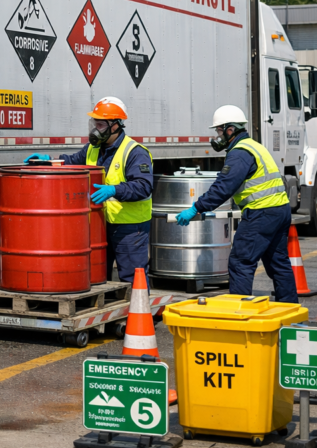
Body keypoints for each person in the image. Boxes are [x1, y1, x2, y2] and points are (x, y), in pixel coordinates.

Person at [175, 105, 297, 302]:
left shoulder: (239, 152)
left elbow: (224, 187)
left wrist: (196, 207)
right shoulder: (254, 146)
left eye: (219, 131)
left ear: (230, 130)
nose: (217, 136)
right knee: (278, 263)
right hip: (279, 210)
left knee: (241, 262)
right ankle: (291, 312)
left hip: (261, 213)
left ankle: (239, 315)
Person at [25, 97, 154, 282]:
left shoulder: (135, 152)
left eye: (100, 125)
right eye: (94, 124)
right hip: (100, 225)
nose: (95, 129)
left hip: (130, 228)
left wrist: (114, 190)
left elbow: (144, 186)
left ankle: (140, 311)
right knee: (100, 276)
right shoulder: (93, 148)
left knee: (133, 278)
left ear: (116, 126)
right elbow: (72, 162)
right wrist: (48, 160)